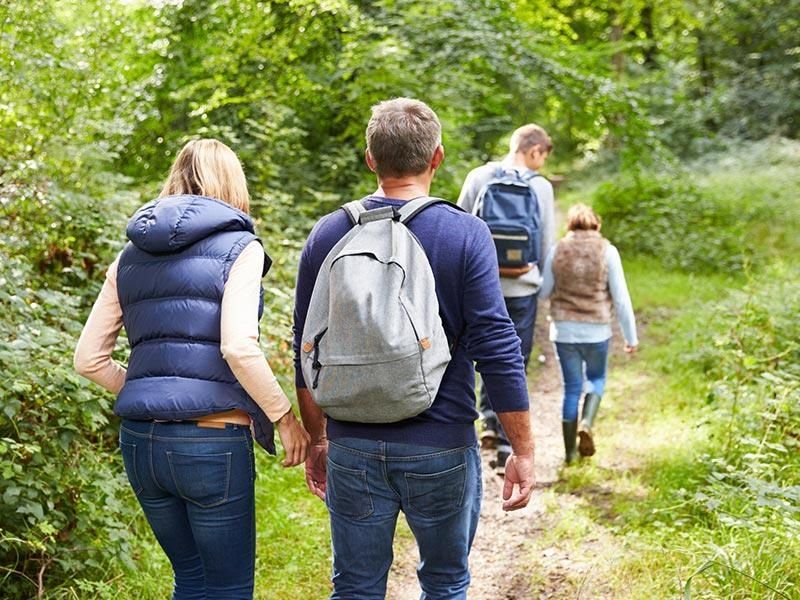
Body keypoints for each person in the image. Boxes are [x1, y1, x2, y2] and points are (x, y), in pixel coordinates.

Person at [292, 98, 535, 599]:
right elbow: (496, 346)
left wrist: (319, 437)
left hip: (352, 446)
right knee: (445, 584)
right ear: (437, 158)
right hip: (441, 443)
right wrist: (523, 449)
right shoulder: (465, 233)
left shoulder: (329, 233)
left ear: (370, 159)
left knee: (355, 588)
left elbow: (306, 346)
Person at [73, 139, 310, 599]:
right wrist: (284, 419)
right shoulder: (241, 248)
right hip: (210, 443)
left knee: (191, 579)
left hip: (141, 444)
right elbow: (239, 347)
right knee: (228, 587)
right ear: (233, 182)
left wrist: (146, 389)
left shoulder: (128, 256)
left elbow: (88, 359)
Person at [457, 124, 555, 474]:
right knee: (513, 361)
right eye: (543, 156)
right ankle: (503, 446)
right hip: (522, 288)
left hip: (481, 287)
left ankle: (484, 421)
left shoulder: (478, 176)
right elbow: (545, 243)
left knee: (474, 355)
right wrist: (540, 284)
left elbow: (460, 228)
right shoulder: (540, 187)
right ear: (534, 151)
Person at [539, 203, 638, 464]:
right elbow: (621, 299)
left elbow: (543, 291)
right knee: (596, 379)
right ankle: (587, 422)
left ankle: (570, 455)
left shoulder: (557, 250)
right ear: (596, 224)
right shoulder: (608, 250)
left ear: (570, 225)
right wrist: (631, 337)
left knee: (571, 389)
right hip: (597, 331)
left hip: (563, 331)